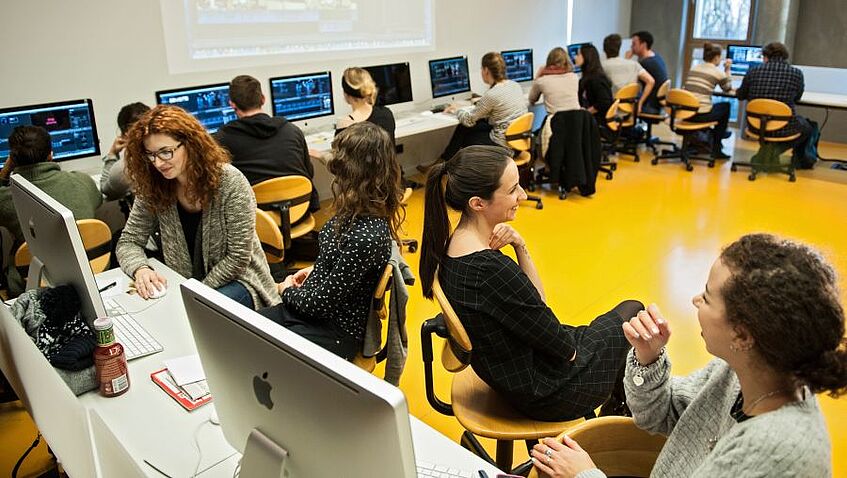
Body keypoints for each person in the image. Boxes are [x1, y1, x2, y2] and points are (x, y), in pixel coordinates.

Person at [531, 234, 846, 478]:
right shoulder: (740, 370)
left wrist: (585, 474)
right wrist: (648, 359)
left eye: (707, 297)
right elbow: (659, 415)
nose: (696, 300)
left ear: (743, 335)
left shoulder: (773, 452)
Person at [420, 145, 643, 421]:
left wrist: (518, 244)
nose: (522, 195)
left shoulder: (454, 246)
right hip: (544, 392)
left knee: (618, 326)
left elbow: (533, 305)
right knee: (635, 313)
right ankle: (623, 419)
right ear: (478, 203)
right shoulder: (491, 270)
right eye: (513, 189)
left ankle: (619, 410)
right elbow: (566, 349)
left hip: (509, 375)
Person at [259, 122, 404, 360]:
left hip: (334, 329)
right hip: (319, 309)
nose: (334, 164)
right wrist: (317, 268)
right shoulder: (359, 208)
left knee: (253, 344)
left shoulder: (364, 236)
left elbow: (320, 304)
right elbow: (341, 265)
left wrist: (286, 291)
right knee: (245, 329)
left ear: (354, 170)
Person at [116, 105, 279, 310]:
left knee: (190, 315)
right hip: (186, 284)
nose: (158, 163)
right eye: (150, 155)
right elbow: (129, 241)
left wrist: (194, 292)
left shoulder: (229, 182)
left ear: (191, 145)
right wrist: (140, 269)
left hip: (241, 281)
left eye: (166, 152)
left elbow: (238, 259)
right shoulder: (154, 185)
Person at [0, 125, 102, 296]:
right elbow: (98, 201)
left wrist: (4, 174)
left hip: (36, 283)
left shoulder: (6, 198)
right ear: (51, 154)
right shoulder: (83, 181)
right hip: (92, 271)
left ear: (12, 158)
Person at [214, 75, 319, 211]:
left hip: (257, 221)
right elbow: (309, 172)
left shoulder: (222, 139)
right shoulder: (292, 130)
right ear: (263, 99)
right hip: (298, 210)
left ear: (232, 104)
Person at [438, 52, 528, 161]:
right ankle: (444, 163)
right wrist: (480, 102)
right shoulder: (515, 85)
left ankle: (448, 166)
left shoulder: (492, 94)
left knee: (465, 131)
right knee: (467, 127)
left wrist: (456, 110)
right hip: (519, 143)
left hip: (504, 146)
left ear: (486, 70)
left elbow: (468, 120)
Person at [736, 42, 813, 159]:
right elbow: (797, 98)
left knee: (769, 126)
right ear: (785, 56)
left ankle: (766, 153)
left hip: (756, 125)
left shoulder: (753, 71)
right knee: (807, 127)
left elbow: (741, 95)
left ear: (765, 56)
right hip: (785, 127)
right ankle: (776, 153)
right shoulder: (796, 73)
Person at [684, 43, 734, 159]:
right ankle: (717, 147)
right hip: (699, 114)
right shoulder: (717, 72)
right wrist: (727, 69)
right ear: (716, 57)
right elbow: (728, 88)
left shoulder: (694, 68)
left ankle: (713, 136)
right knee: (725, 107)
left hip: (685, 113)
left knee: (713, 106)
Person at [101, 102, 150, 201]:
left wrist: (112, 155)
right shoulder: (171, 154)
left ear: (125, 134)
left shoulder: (124, 169)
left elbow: (105, 189)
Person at [335, 67, 396, 144]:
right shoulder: (386, 113)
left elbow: (341, 156)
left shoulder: (345, 125)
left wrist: (323, 155)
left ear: (346, 95)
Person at [602, 33, 655, 112]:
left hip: (612, 110)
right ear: (619, 48)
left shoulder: (602, 66)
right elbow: (651, 81)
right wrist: (640, 103)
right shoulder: (634, 64)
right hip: (630, 110)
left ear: (604, 50)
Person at [529, 47, 581, 116]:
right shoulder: (574, 77)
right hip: (577, 121)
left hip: (555, 123)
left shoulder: (542, 81)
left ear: (549, 61)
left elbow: (532, 99)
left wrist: (538, 75)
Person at [628, 31, 669, 115]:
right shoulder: (656, 57)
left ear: (643, 45)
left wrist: (626, 59)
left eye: (634, 44)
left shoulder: (646, 63)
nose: (631, 47)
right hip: (659, 103)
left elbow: (626, 78)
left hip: (651, 105)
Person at [576, 44, 614, 125]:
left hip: (598, 122)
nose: (575, 57)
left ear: (586, 56)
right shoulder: (586, 78)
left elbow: (604, 102)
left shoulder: (596, 79)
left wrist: (586, 113)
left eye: (578, 54)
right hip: (591, 120)